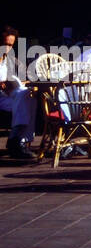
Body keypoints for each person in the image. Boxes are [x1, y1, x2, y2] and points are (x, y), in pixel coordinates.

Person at [0, 27, 36, 160]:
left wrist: (21, 82)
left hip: (8, 97)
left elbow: (25, 76)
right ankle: (16, 141)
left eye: (10, 45)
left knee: (28, 96)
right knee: (23, 96)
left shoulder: (9, 60)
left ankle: (19, 140)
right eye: (4, 44)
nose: (6, 48)